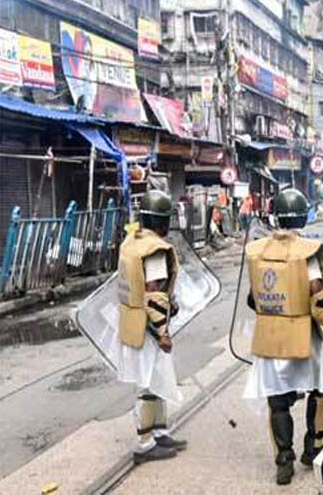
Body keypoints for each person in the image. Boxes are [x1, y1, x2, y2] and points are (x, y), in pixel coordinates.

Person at [243, 188, 323, 485]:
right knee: (320, 388)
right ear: (302, 216)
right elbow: (317, 299)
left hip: (268, 338)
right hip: (303, 336)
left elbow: (254, 298)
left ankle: (283, 461)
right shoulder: (308, 252)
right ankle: (313, 446)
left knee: (277, 402)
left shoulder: (257, 251)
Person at [116, 190, 188, 463]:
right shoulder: (155, 250)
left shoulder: (131, 242)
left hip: (133, 321)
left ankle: (159, 432)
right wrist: (163, 332)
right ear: (162, 221)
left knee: (156, 380)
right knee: (147, 385)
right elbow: (154, 293)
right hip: (147, 327)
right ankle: (145, 444)